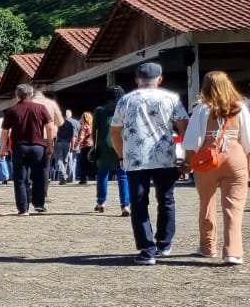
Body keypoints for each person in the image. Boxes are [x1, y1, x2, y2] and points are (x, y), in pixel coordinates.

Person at [110, 61, 188, 265]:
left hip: (136, 158)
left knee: (138, 203)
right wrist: (186, 156)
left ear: (137, 79)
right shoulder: (171, 98)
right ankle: (164, 244)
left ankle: (147, 249)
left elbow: (115, 131)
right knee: (166, 200)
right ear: (160, 79)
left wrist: (121, 155)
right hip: (165, 157)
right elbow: (184, 127)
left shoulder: (126, 100)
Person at [180, 70, 249, 265]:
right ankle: (233, 252)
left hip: (208, 160)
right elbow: (248, 140)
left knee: (206, 203)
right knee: (234, 207)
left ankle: (208, 247)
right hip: (235, 158)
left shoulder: (201, 109)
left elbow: (192, 141)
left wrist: (189, 163)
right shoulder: (240, 107)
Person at [1, 84, 54, 216]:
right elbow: (49, 127)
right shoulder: (41, 108)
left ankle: (23, 208)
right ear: (31, 95)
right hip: (38, 146)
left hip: (19, 147)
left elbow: (5, 131)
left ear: (17, 95)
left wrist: (3, 148)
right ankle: (39, 204)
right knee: (39, 176)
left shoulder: (12, 110)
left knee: (20, 178)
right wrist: (50, 144)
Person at [93, 86, 130, 216]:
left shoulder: (100, 110)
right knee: (123, 176)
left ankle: (101, 202)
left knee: (102, 174)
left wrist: (94, 146)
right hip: (121, 144)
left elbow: (95, 131)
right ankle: (125, 205)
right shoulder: (125, 109)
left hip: (104, 145)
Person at [52, 109, 80, 184]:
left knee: (59, 160)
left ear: (64, 115)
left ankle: (64, 176)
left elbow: (54, 133)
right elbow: (75, 135)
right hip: (68, 143)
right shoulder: (76, 122)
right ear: (71, 114)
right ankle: (68, 178)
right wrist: (73, 146)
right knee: (66, 161)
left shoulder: (59, 122)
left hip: (59, 142)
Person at [74, 111, 95, 185]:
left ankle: (83, 179)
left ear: (85, 118)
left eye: (82, 117)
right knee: (90, 163)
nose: (81, 119)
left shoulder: (84, 126)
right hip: (91, 146)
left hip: (85, 146)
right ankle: (91, 177)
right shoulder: (92, 126)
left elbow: (81, 137)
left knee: (83, 163)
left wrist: (76, 144)